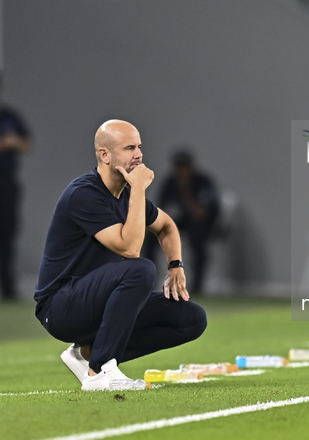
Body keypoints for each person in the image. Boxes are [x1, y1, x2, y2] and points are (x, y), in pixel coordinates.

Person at [34, 120, 207, 391]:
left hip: (97, 301)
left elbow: (166, 226)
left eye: (139, 147)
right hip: (60, 307)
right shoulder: (84, 193)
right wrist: (139, 189)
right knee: (140, 269)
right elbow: (130, 249)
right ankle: (99, 372)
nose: (138, 154)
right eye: (129, 148)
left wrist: (176, 265)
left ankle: (89, 354)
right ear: (105, 155)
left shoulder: (126, 195)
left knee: (191, 318)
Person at [145, 149, 219, 294]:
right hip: (180, 221)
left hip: (202, 224)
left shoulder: (202, 182)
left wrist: (186, 192)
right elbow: (161, 209)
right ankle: (149, 281)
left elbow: (201, 213)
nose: (182, 170)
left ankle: (197, 286)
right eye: (179, 166)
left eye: (185, 166)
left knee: (198, 237)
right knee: (151, 235)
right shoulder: (170, 182)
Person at [0, 80, 30, 301]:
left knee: (7, 232)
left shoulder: (10, 116)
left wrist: (13, 142)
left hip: (6, 181)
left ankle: (7, 286)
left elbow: (25, 142)